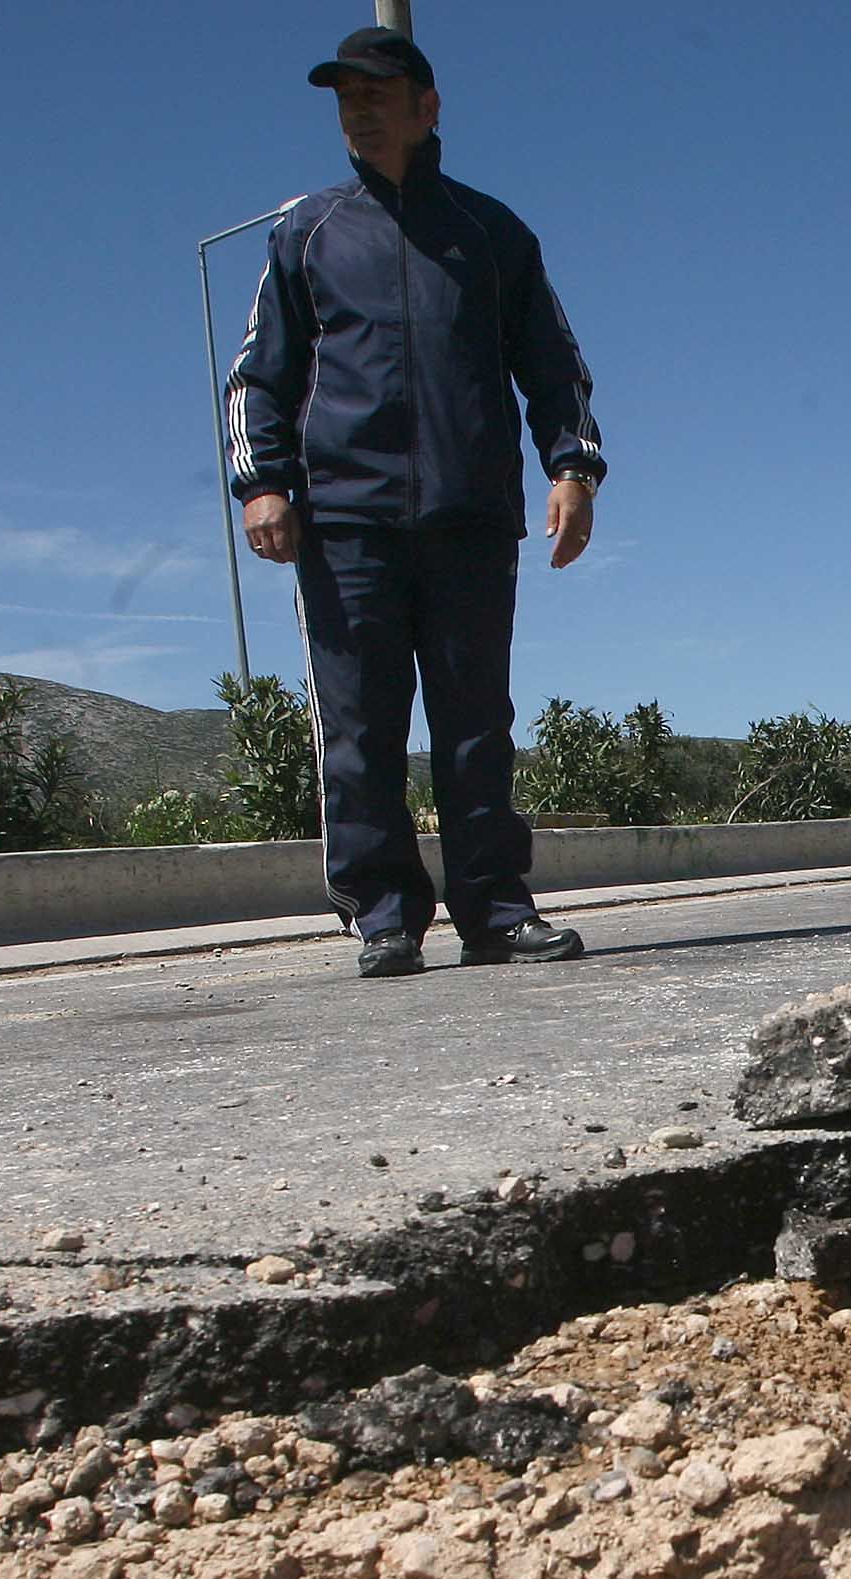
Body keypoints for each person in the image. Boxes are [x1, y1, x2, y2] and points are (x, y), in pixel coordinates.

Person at [225, 25, 605, 977]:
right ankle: (382, 914)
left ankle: (495, 910)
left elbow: (552, 363)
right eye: (345, 98)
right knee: (358, 724)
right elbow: (256, 378)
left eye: (378, 95)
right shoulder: (305, 232)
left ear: (427, 109)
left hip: (471, 514)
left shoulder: (491, 232)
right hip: (344, 519)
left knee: (476, 720)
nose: (359, 111)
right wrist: (263, 482)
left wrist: (574, 467)